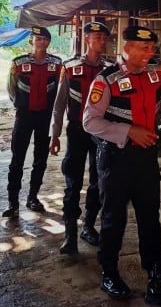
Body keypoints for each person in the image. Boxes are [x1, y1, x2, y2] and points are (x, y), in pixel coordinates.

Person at [83, 25, 161, 304]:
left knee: (150, 219)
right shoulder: (106, 80)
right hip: (116, 159)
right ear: (127, 49)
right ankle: (110, 273)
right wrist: (129, 132)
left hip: (145, 159)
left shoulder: (155, 74)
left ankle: (157, 277)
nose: (150, 52)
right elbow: (90, 121)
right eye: (144, 48)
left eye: (152, 48)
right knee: (114, 219)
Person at [50, 21, 115, 254]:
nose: (100, 40)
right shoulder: (69, 67)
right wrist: (54, 134)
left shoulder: (111, 69)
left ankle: (88, 226)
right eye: (95, 36)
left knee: (99, 181)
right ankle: (70, 235)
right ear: (86, 39)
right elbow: (59, 105)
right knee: (72, 182)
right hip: (76, 130)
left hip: (102, 132)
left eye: (102, 37)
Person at [3, 26, 62, 218]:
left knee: (40, 158)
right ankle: (13, 203)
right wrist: (20, 105)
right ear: (31, 41)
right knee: (17, 159)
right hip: (24, 116)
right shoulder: (18, 63)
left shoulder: (57, 63)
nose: (41, 42)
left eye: (45, 39)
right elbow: (11, 89)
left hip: (45, 117)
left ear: (48, 42)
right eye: (38, 38)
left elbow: (60, 90)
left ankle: (32, 197)